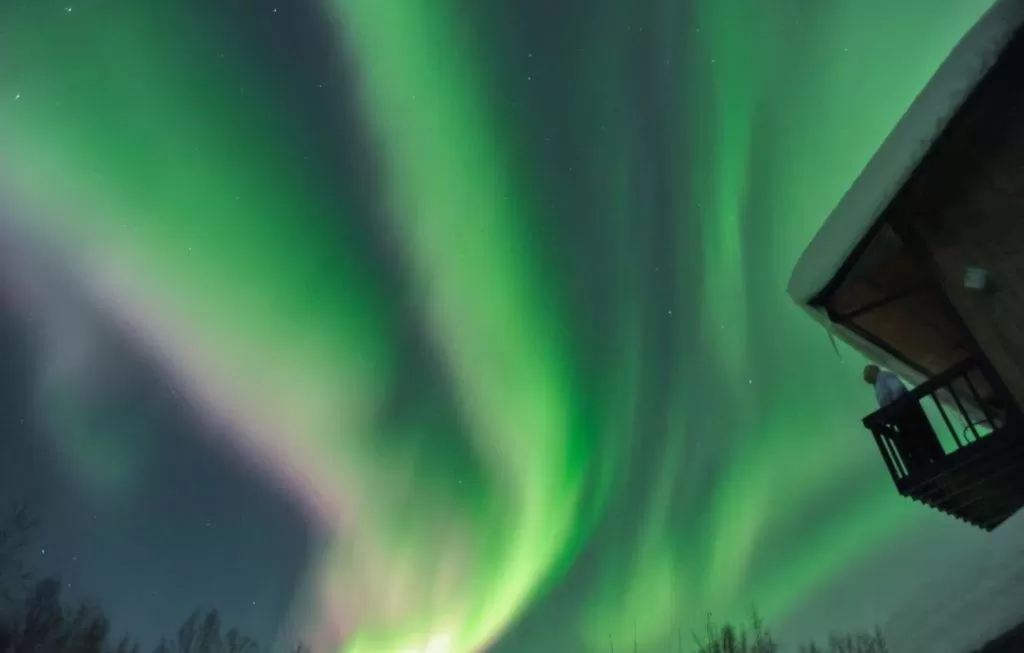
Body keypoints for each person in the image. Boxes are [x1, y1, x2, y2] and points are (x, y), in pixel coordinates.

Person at [863, 364, 944, 473]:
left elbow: (897, 388)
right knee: (916, 439)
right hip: (901, 414)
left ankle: (933, 461)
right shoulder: (878, 382)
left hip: (906, 412)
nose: (865, 377)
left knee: (920, 436)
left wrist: (895, 406)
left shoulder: (883, 376)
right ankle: (929, 462)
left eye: (867, 373)